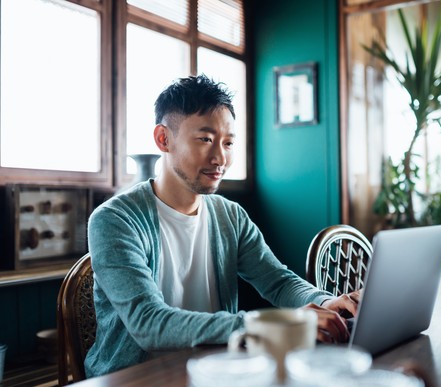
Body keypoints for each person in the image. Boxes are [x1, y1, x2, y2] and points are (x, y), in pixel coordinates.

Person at [85, 74, 360, 377]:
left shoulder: (231, 216)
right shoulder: (114, 220)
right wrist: (270, 325)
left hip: (219, 372)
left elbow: (278, 282)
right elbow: (149, 323)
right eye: (205, 139)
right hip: (137, 378)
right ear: (164, 139)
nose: (220, 158)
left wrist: (324, 302)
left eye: (228, 142)